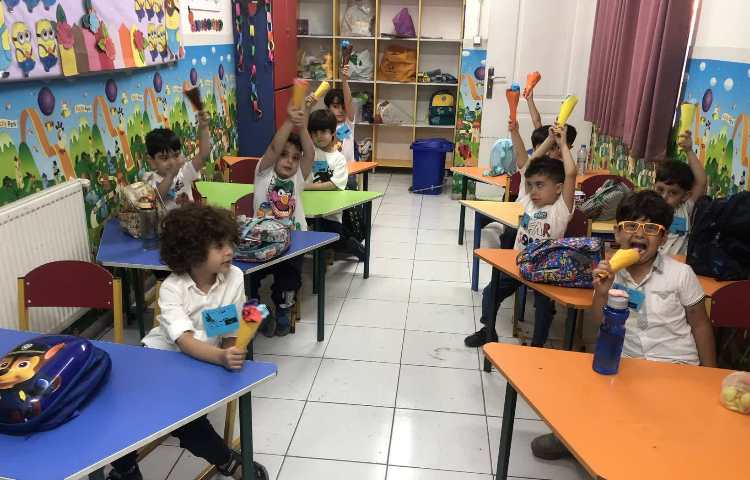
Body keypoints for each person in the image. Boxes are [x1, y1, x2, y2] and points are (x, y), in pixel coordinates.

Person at [530, 190, 717, 460]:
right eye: (631, 226)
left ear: (663, 238)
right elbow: (599, 325)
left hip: (676, 366)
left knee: (669, 433)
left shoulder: (681, 274)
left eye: (651, 228)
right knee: (587, 394)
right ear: (617, 233)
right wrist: (602, 293)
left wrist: (710, 377)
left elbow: (700, 325)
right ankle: (578, 437)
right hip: (626, 363)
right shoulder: (610, 273)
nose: (640, 234)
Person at [107, 204, 266, 480]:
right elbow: (184, 342)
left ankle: (224, 460)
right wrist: (220, 357)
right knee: (124, 410)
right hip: (159, 357)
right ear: (192, 252)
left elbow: (226, 326)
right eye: (219, 246)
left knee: (185, 418)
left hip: (200, 363)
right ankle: (126, 467)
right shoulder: (172, 288)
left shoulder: (233, 277)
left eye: (229, 242)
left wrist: (231, 349)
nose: (229, 251)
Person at [465, 124, 577, 348]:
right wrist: (548, 140)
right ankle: (488, 331)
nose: (533, 191)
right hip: (520, 263)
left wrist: (563, 144)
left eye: (540, 186)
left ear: (558, 188)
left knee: (544, 309)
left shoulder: (561, 209)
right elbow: (530, 164)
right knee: (490, 292)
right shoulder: (527, 201)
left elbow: (571, 174)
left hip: (547, 270)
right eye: (531, 185)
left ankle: (536, 348)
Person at [249, 102, 314, 337]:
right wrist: (289, 121)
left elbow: (311, 153)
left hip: (292, 240)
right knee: (247, 279)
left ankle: (284, 309)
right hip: (260, 241)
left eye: (295, 158)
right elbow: (275, 147)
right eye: (284, 156)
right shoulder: (263, 172)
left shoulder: (298, 176)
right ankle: (257, 315)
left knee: (289, 278)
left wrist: (302, 126)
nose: (289, 161)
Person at [305, 108, 365, 259]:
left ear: (332, 132)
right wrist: (306, 108)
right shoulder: (311, 152)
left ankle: (351, 244)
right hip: (309, 209)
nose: (319, 136)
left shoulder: (338, 158)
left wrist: (307, 187)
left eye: (323, 132)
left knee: (335, 235)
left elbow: (334, 185)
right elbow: (302, 131)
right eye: (314, 133)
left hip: (330, 214)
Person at [142, 109, 210, 210]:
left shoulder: (184, 171)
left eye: (176, 155)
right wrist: (170, 175)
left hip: (191, 217)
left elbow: (203, 155)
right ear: (152, 161)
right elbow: (155, 201)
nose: (172, 162)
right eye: (165, 158)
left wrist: (203, 128)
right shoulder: (149, 179)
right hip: (169, 220)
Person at [653, 130, 707, 255]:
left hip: (678, 263)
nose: (664, 196)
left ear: (685, 196)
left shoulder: (686, 208)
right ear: (654, 186)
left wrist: (689, 151)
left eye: (672, 193)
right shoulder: (647, 208)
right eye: (660, 190)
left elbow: (701, 182)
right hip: (653, 263)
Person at [323, 64, 356, 162]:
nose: (341, 110)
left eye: (343, 107)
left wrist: (344, 81)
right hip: (331, 169)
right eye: (335, 106)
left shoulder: (348, 124)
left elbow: (348, 101)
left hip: (349, 169)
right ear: (328, 108)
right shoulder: (324, 127)